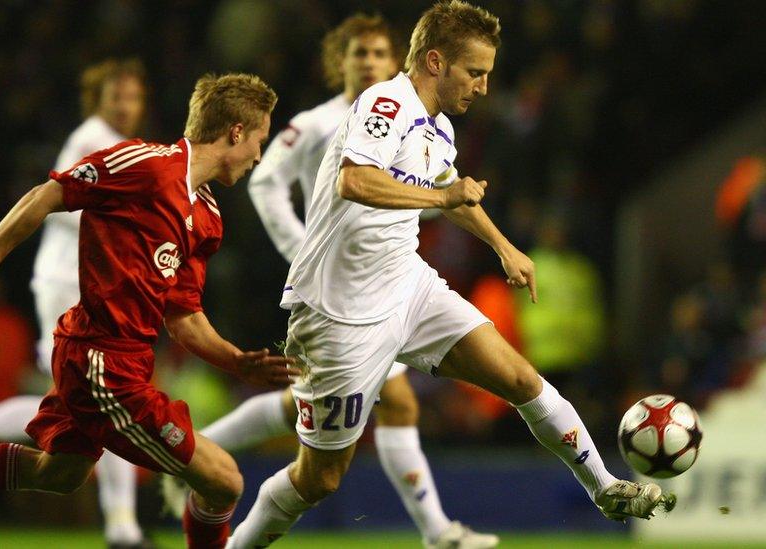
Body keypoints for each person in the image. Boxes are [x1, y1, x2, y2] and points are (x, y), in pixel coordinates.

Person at [227, 2, 673, 547]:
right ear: (435, 62)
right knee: (320, 478)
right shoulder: (385, 102)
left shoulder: (438, 127)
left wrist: (505, 246)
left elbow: (454, 193)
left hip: (408, 285)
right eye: (476, 72)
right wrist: (442, 194)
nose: (484, 87)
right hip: (339, 313)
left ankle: (605, 488)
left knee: (520, 380)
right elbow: (355, 182)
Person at [0, 73, 298, 549]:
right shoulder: (146, 165)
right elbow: (45, 196)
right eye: (259, 140)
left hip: (122, 360)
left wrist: (236, 360)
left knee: (59, 471)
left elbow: (182, 315)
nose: (258, 155)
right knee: (223, 479)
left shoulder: (206, 216)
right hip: (101, 359)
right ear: (235, 132)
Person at [164, 14, 495, 548]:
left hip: (382, 282)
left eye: (379, 54)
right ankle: (437, 533)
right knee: (357, 411)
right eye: (358, 54)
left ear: (401, 62)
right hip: (331, 289)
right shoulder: (316, 123)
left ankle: (193, 455)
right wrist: (299, 245)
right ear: (338, 63)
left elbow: (423, 192)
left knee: (321, 403)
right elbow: (266, 182)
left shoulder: (418, 120)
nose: (369, 63)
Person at [0, 57, 153, 548]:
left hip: (80, 285)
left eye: (132, 97)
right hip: (70, 284)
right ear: (97, 101)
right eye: (116, 97)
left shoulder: (115, 147)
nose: (125, 106)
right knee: (106, 398)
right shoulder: (92, 141)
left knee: (86, 401)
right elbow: (56, 207)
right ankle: (124, 530)